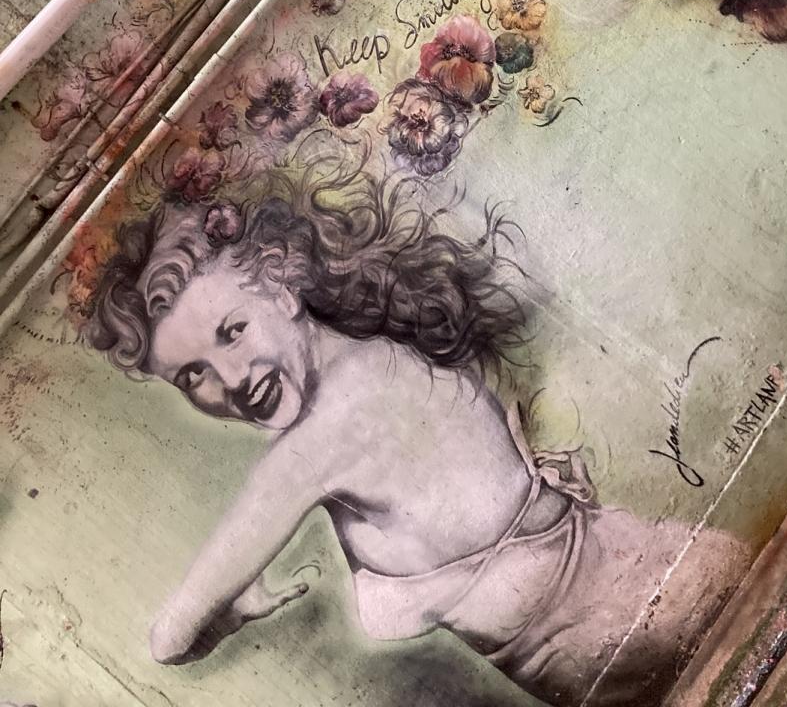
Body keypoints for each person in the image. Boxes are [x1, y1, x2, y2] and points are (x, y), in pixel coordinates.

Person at [87, 157, 747, 706]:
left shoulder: (324, 434)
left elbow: (169, 640)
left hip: (656, 620)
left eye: (233, 331)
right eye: (192, 376)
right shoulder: (373, 362)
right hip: (656, 611)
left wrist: (224, 612)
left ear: (283, 290)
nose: (230, 379)